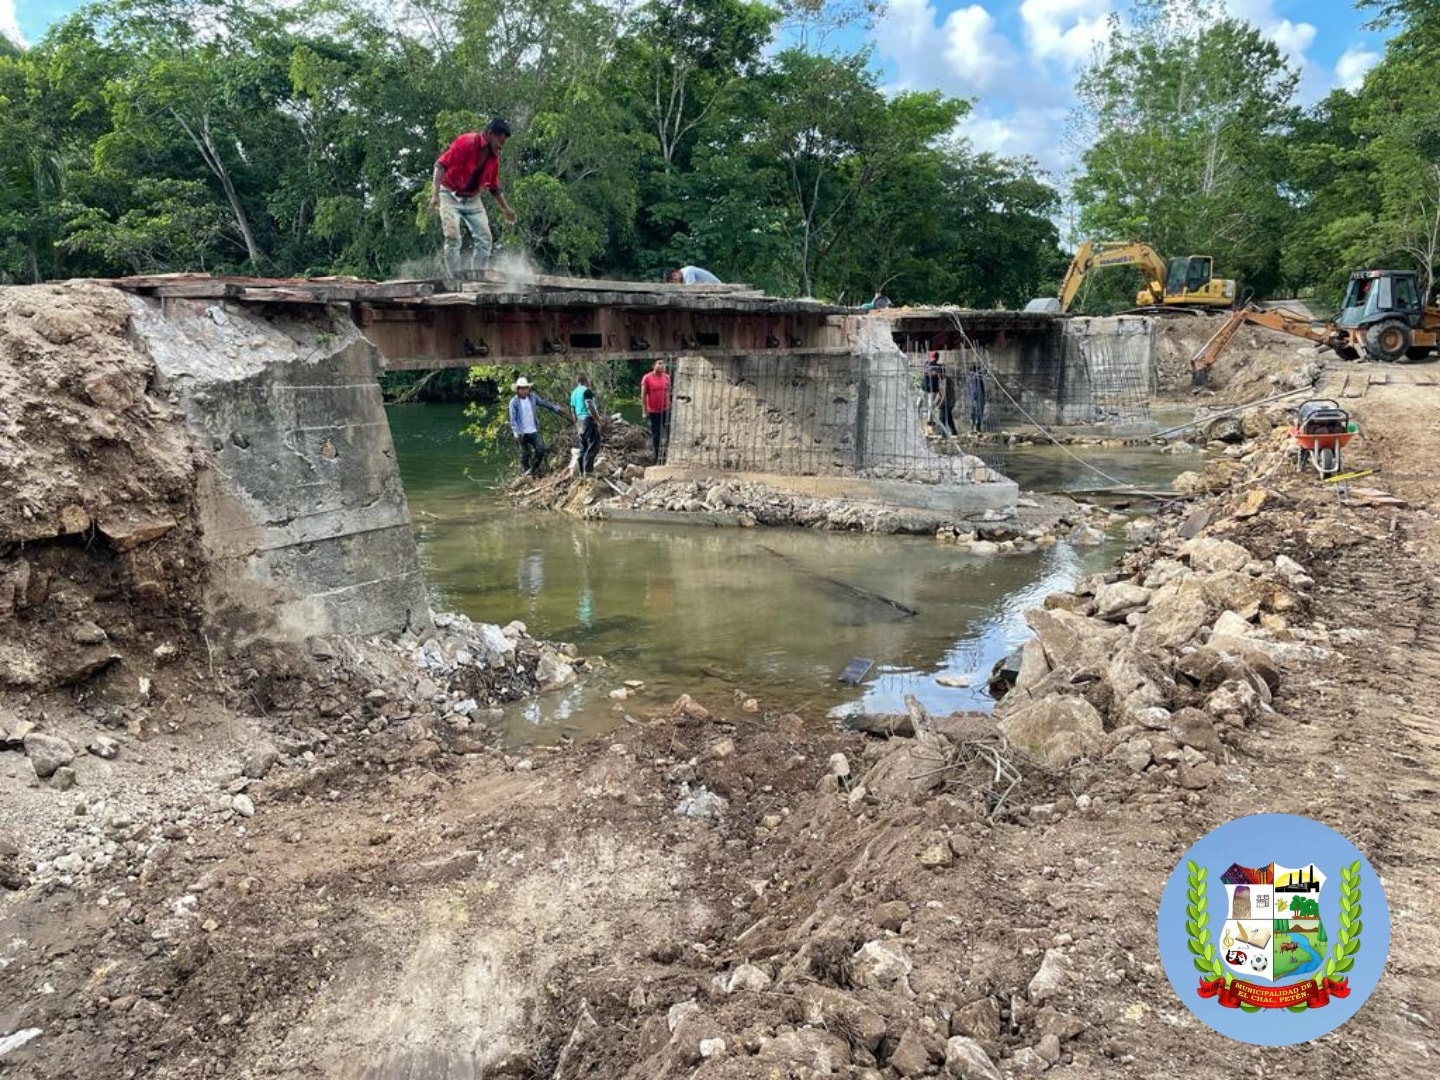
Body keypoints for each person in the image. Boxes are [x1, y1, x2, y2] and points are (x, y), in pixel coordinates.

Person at [428, 118, 518, 277]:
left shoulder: (494, 158)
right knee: (453, 236)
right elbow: (440, 165)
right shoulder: (466, 142)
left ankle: (478, 277)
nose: (500, 147)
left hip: (473, 199)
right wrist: (435, 195)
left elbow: (494, 187)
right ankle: (455, 279)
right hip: (449, 194)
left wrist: (506, 209)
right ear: (490, 134)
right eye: (499, 142)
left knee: (485, 239)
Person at [507, 377, 567, 475]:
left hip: (533, 430)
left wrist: (556, 408)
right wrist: (516, 433)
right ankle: (526, 473)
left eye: (526, 388)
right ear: (518, 390)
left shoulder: (532, 397)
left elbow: (544, 403)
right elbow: (513, 419)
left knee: (540, 450)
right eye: (522, 388)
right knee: (524, 455)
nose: (524, 390)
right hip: (521, 433)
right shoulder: (514, 402)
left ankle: (532, 470)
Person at [570, 374, 603, 477]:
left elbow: (573, 409)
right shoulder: (586, 391)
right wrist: (597, 419)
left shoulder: (574, 393)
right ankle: (588, 470)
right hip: (588, 420)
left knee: (583, 447)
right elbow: (589, 405)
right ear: (586, 381)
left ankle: (581, 471)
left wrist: (576, 422)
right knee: (593, 445)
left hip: (580, 421)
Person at [640, 359, 671, 463]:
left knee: (669, 432)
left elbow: (668, 392)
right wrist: (644, 411)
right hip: (653, 411)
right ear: (653, 365)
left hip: (666, 410)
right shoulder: (647, 378)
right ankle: (656, 456)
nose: (662, 365)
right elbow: (643, 395)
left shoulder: (667, 377)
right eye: (659, 363)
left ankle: (668, 453)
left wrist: (670, 404)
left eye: (663, 363)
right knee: (656, 434)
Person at [920, 351, 943, 429]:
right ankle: (917, 418)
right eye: (933, 359)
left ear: (937, 358)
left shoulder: (940, 367)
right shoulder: (926, 364)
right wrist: (934, 373)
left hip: (933, 389)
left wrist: (936, 373)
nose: (934, 360)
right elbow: (925, 372)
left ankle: (929, 421)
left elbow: (942, 375)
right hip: (924, 387)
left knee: (931, 405)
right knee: (918, 403)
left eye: (935, 359)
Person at [966, 365, 987, 433]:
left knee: (974, 413)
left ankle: (974, 427)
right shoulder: (974, 378)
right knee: (976, 413)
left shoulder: (972, 378)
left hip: (975, 398)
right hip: (976, 398)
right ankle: (975, 427)